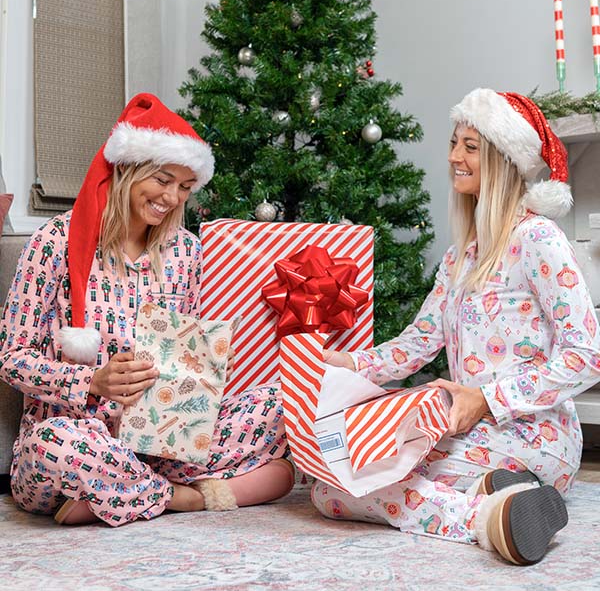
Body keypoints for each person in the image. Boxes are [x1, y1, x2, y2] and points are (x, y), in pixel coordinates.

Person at [318, 88, 600, 565]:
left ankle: (491, 518)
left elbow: (587, 355)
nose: (454, 157)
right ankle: (498, 499)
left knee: (353, 488)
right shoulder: (460, 257)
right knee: (332, 484)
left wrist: (489, 399)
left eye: (470, 147)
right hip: (466, 429)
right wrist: (345, 362)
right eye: (454, 143)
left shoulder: (538, 239)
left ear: (504, 159)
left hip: (536, 435)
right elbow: (417, 343)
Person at [0, 93, 294, 526]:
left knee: (282, 402)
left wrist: (194, 402)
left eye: (184, 187)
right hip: (78, 438)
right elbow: (12, 360)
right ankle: (183, 498)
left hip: (159, 443)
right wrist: (92, 381)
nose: (172, 197)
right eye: (162, 179)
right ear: (126, 169)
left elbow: (184, 365)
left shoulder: (186, 253)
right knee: (54, 444)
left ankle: (117, 494)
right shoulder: (54, 243)